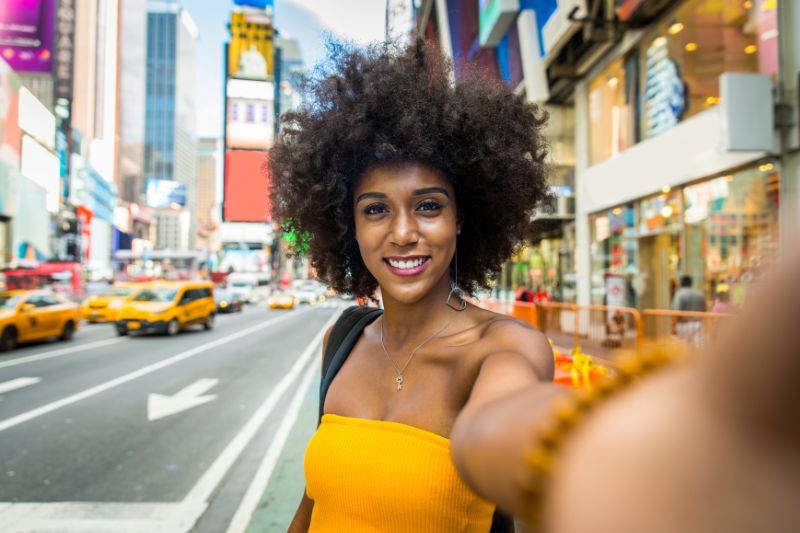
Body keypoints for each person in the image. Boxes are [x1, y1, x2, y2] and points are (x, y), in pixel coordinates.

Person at [272, 39, 554, 532]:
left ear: (461, 217)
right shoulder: (341, 341)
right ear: (349, 226)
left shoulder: (505, 349)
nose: (403, 233)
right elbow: (313, 505)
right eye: (375, 209)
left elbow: (503, 431)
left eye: (428, 206)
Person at [671, 274, 707, 343]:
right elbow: (704, 309)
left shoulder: (679, 294)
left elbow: (676, 312)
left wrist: (673, 326)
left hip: (683, 325)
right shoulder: (699, 293)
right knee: (698, 346)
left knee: (684, 346)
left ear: (681, 283)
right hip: (698, 324)